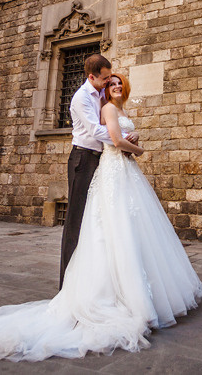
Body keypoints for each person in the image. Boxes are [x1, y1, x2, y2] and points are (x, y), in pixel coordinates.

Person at [0, 73, 202, 362]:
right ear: (103, 85)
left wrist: (133, 137)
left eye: (119, 83)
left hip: (124, 172)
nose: (116, 86)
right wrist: (139, 148)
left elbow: (121, 135)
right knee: (112, 228)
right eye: (111, 83)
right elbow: (115, 139)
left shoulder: (119, 109)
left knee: (133, 228)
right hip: (114, 169)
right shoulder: (104, 107)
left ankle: (144, 290)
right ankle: (117, 296)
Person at [58, 53, 131, 288]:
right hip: (82, 158)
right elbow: (94, 131)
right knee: (76, 220)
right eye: (105, 78)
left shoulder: (102, 92)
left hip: (101, 160)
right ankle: (67, 283)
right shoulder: (81, 98)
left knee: (96, 218)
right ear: (92, 77)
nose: (109, 82)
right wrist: (122, 139)